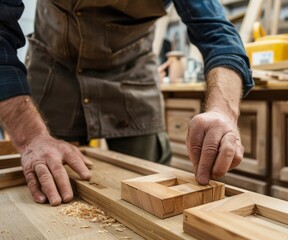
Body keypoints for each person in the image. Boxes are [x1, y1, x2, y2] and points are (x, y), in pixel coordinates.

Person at [0, 0, 254, 206]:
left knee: (150, 190)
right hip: (54, 68)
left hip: (132, 74)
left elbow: (219, 35)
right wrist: (31, 137)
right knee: (46, 184)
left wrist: (222, 110)